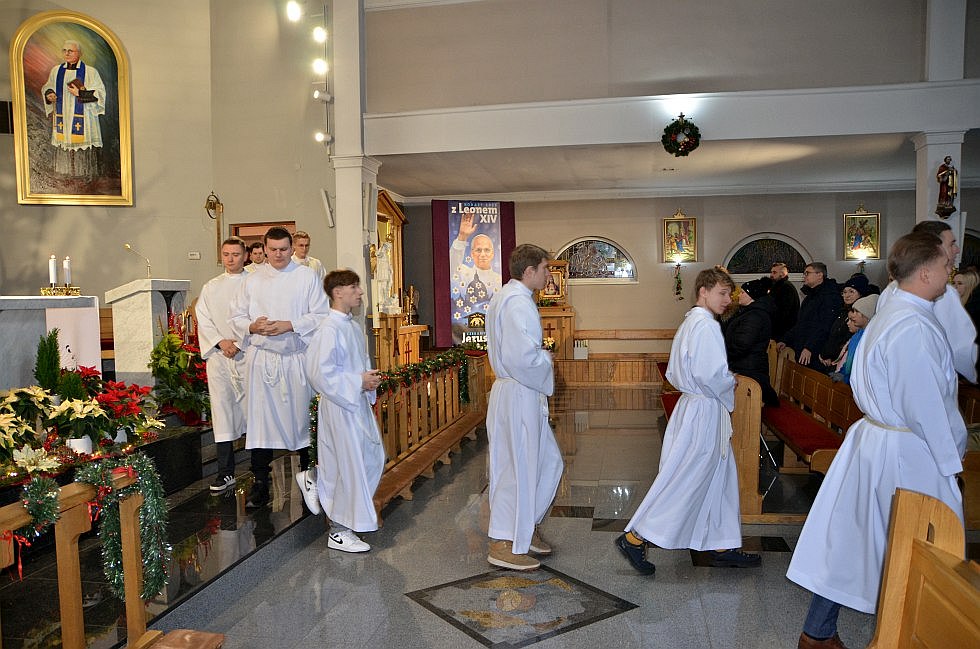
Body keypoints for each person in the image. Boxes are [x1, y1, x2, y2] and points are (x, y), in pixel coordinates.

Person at [787, 232, 967, 649]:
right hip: (909, 452)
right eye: (945, 265)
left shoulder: (892, 312)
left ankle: (818, 632)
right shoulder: (912, 326)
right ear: (925, 272)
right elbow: (926, 405)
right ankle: (914, 634)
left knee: (854, 539)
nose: (949, 273)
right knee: (921, 546)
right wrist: (951, 462)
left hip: (879, 444)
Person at [617, 268, 761, 576]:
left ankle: (721, 544)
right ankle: (635, 537)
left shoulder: (692, 322)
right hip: (704, 410)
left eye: (729, 294)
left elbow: (681, 371)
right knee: (688, 478)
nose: (727, 299)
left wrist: (721, 379)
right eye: (722, 293)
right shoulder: (705, 326)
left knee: (719, 477)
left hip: (695, 406)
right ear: (703, 292)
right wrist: (730, 381)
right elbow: (711, 375)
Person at [228, 227, 330, 508]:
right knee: (260, 424)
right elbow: (235, 316)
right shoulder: (252, 280)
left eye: (284, 249)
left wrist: (291, 324)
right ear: (264, 249)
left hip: (295, 359)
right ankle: (261, 484)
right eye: (272, 249)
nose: (278, 255)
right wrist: (252, 326)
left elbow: (321, 315)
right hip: (262, 361)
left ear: (292, 247)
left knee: (302, 422)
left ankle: (311, 481)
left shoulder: (306, 277)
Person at [485, 243, 562, 571]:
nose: (548, 275)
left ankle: (523, 528)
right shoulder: (517, 302)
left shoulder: (508, 297)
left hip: (517, 393)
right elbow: (521, 359)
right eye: (545, 269)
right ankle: (502, 542)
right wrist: (545, 358)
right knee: (514, 469)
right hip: (519, 393)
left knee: (547, 462)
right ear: (529, 271)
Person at [304, 270, 385, 553]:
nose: (360, 292)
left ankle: (316, 478)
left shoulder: (350, 326)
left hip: (354, 403)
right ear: (337, 292)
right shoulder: (328, 329)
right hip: (340, 406)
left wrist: (368, 381)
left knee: (371, 459)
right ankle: (339, 531)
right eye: (354, 287)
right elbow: (318, 374)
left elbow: (358, 363)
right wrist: (357, 382)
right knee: (349, 467)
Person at [877, 220, 977, 382]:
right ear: (933, 247)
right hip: (930, 380)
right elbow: (961, 350)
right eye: (951, 244)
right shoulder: (941, 292)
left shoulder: (890, 291)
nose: (957, 250)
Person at [196, 237, 250, 493]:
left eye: (236, 254)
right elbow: (203, 319)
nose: (230, 259)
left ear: (245, 256)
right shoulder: (211, 287)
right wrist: (220, 342)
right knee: (222, 412)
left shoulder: (254, 283)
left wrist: (238, 342)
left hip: (247, 356)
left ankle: (260, 470)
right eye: (226, 254)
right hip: (219, 359)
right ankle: (225, 472)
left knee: (254, 411)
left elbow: (259, 316)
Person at [41, 40, 106, 179]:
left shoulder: (90, 72)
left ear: (80, 53)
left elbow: (100, 94)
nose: (67, 53)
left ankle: (85, 176)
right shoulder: (56, 70)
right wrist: (49, 94)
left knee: (83, 147)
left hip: (84, 118)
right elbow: (48, 86)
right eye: (64, 50)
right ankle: (64, 176)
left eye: (70, 51)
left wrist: (80, 93)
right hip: (63, 116)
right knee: (64, 143)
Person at [723, 277, 778, 406]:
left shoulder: (755, 316)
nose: (739, 295)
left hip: (748, 368)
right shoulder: (749, 312)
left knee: (745, 407)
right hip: (744, 364)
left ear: (752, 296)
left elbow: (742, 344)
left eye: (743, 292)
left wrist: (724, 355)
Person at [779, 262, 842, 370]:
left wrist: (809, 347)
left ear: (820, 275)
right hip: (803, 347)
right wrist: (785, 339)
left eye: (807, 273)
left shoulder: (830, 297)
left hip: (816, 352)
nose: (804, 276)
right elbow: (801, 324)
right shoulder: (810, 297)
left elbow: (825, 326)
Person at [817, 274, 873, 372]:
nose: (847, 295)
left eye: (851, 291)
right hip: (830, 360)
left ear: (860, 294)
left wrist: (831, 356)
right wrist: (824, 354)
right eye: (844, 292)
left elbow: (846, 341)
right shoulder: (842, 312)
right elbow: (833, 335)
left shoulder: (861, 315)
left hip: (841, 363)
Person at [451, 213, 502, 311]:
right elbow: (452, 263)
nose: (482, 254)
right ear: (472, 254)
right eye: (478, 250)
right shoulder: (462, 273)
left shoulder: (499, 280)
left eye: (487, 250)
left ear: (492, 254)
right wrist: (462, 237)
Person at [829, 294, 878, 386]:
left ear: (867, 315)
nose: (853, 315)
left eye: (857, 311)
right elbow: (849, 361)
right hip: (847, 382)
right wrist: (841, 374)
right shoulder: (856, 336)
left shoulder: (870, 338)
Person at [769, 262, 800, 341]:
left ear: (782, 274)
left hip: (783, 331)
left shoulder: (786, 288)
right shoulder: (778, 287)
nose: (771, 275)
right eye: (771, 272)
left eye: (774, 272)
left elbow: (783, 312)